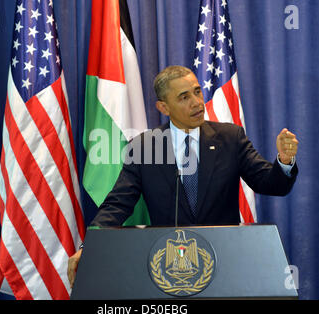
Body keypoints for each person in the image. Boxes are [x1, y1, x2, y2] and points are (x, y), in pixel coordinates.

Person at [68, 65, 298, 287]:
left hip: (224, 265)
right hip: (168, 270)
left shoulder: (230, 138)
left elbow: (270, 184)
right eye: (184, 97)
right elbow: (116, 205)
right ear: (163, 107)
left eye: (197, 92)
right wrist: (89, 247)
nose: (197, 102)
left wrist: (284, 161)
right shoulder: (144, 148)